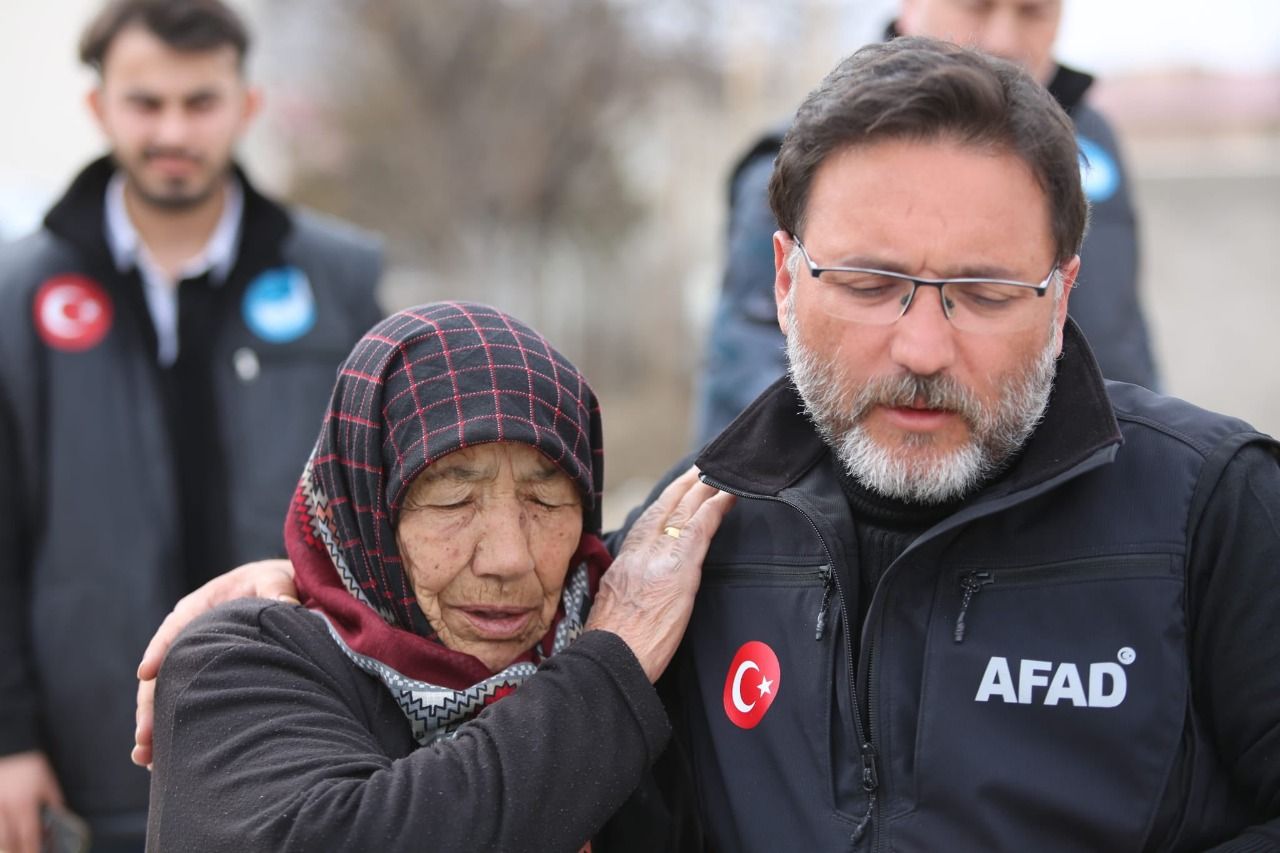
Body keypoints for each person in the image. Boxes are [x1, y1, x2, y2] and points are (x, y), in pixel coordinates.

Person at [134, 38, 1280, 851]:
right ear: (782, 278)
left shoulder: (1211, 511)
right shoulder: (685, 559)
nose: (922, 345)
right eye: (870, 283)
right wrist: (299, 590)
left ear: (1065, 289)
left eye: (981, 293)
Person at [0, 1, 382, 850]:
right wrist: (7, 737)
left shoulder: (343, 285)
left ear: (247, 105)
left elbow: (384, 508)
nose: (173, 128)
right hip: (84, 769)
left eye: (199, 101)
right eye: (146, 102)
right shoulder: (14, 298)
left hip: (307, 743)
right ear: (99, 108)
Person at [145, 301, 733, 851]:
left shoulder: (635, 601)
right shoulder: (234, 668)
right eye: (453, 500)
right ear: (366, 512)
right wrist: (612, 667)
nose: (508, 559)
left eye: (546, 500)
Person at [693, 0, 1158, 446]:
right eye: (976, 6)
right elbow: (747, 384)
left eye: (1033, 10)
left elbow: (1123, 334)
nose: (1005, 38)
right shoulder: (818, 161)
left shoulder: (1096, 146)